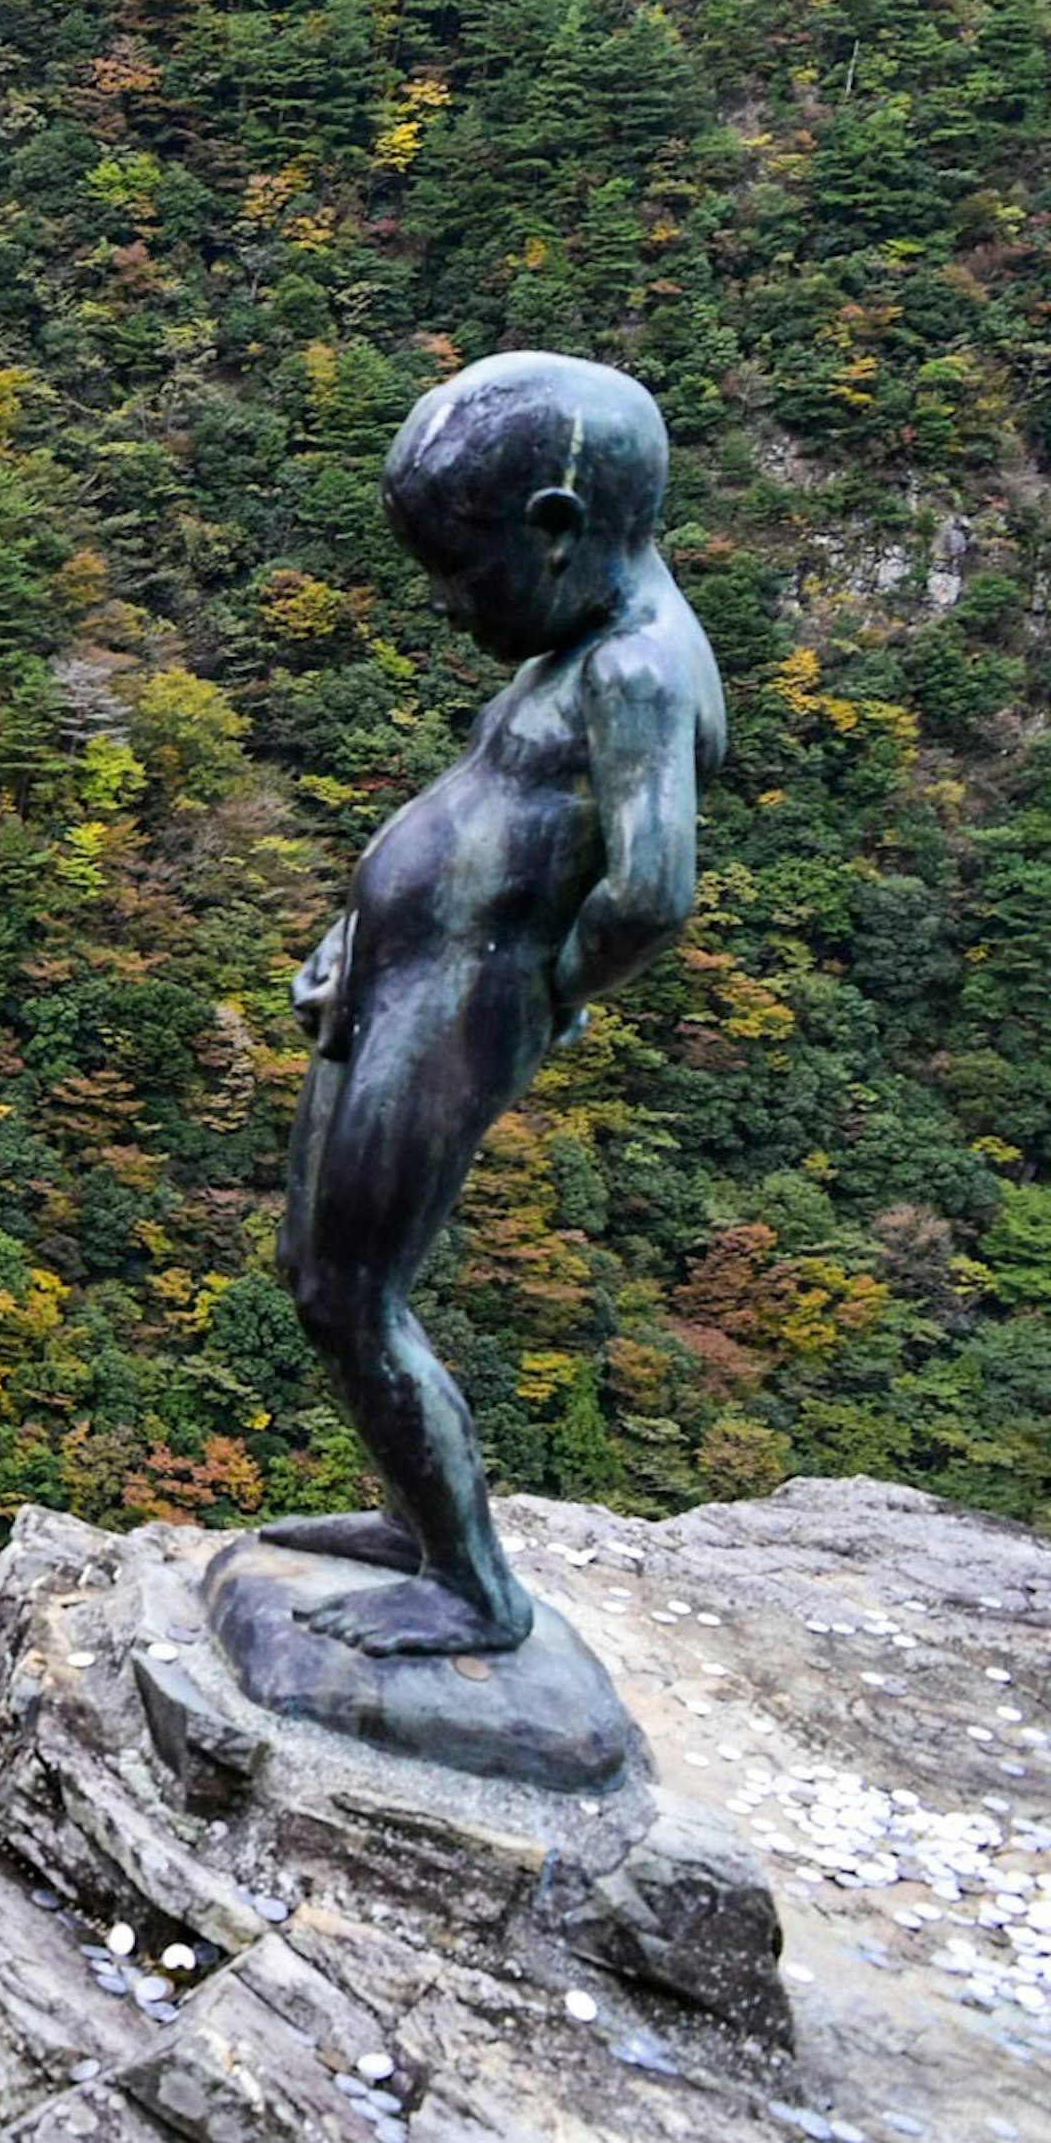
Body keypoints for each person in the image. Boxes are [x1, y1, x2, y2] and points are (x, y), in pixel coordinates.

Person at [257, 352, 727, 1655]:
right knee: (316, 1281)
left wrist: (553, 994)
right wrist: (356, 934)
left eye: (468, 577)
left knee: (355, 1295)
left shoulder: (634, 674)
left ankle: (473, 1590)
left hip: (460, 1005)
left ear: (560, 529)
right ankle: (420, 1521)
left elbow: (651, 890)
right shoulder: (583, 643)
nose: (458, 610)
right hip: (406, 976)